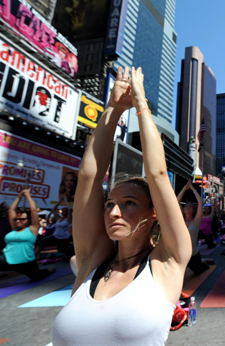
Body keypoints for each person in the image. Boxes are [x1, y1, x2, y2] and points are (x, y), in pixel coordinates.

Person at [51, 66, 192, 345]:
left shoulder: (167, 262)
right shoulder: (92, 258)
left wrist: (141, 105)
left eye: (128, 203)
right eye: (110, 204)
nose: (114, 212)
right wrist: (113, 108)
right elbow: (89, 176)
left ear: (154, 213)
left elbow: (158, 174)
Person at [0, 190, 54, 280]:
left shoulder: (32, 229)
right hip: (7, 260)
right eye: (17, 219)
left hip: (26, 263)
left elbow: (33, 210)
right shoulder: (14, 228)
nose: (18, 220)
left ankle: (49, 270)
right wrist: (19, 196)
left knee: (38, 276)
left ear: (28, 220)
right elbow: (11, 210)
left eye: (22, 219)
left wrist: (28, 195)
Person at [177, 180, 210, 275]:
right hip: (180, 255)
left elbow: (200, 202)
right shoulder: (180, 220)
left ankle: (203, 263)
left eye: (190, 206)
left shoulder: (196, 221)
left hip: (193, 255)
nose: (187, 207)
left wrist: (192, 188)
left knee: (199, 270)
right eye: (186, 206)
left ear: (194, 210)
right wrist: (184, 189)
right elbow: (175, 202)